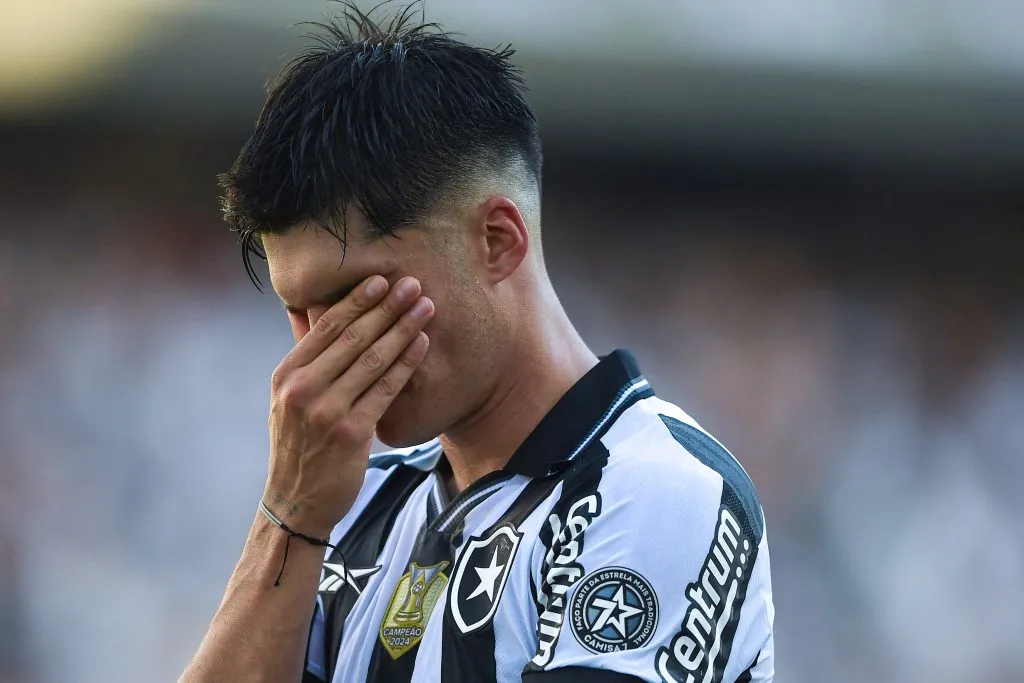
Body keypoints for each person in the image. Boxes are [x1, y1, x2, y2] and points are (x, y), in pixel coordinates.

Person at [180, 4, 774, 683]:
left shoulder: (658, 490)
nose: (321, 357)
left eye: (354, 298)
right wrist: (288, 515)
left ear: (497, 240)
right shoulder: (346, 509)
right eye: (298, 311)